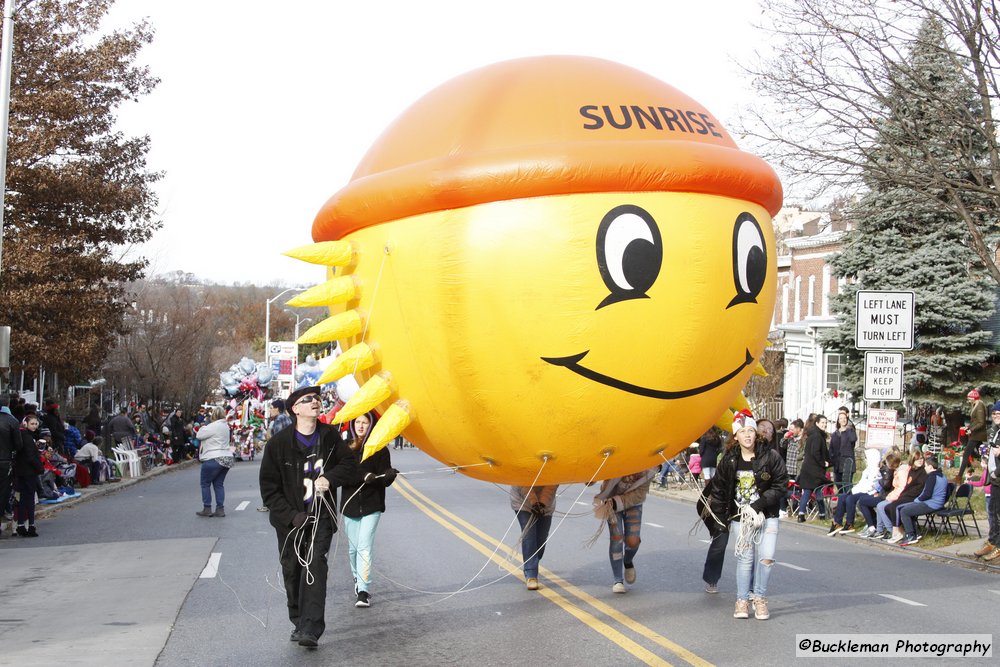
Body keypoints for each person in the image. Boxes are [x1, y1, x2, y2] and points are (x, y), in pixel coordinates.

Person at [259, 385, 358, 648]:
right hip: (290, 522)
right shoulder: (278, 445)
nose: (315, 402)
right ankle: (298, 620)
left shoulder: (329, 437)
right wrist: (292, 516)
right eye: (308, 399)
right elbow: (269, 490)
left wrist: (329, 478)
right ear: (296, 409)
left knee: (314, 564)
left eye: (316, 398)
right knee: (292, 570)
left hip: (320, 517)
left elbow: (349, 465)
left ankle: (311, 628)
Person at [708, 410, 788, 620]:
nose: (747, 435)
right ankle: (742, 600)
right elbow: (718, 489)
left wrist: (759, 504)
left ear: (756, 433)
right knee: (745, 559)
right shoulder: (729, 460)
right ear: (736, 436)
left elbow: (781, 485)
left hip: (766, 514)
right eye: (742, 431)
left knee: (767, 558)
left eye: (750, 431)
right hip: (740, 518)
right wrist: (720, 519)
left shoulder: (771, 456)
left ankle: (759, 598)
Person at [340, 411, 398, 608]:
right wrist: (363, 475)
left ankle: (363, 591)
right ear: (352, 424)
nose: (361, 426)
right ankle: (357, 580)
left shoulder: (380, 449)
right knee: (353, 548)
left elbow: (385, 478)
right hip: (350, 505)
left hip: (372, 504)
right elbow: (342, 476)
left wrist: (388, 475)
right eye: (358, 422)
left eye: (365, 422)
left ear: (371, 425)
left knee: (364, 546)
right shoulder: (345, 448)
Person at [593, 466, 656, 593]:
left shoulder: (651, 468)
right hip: (610, 501)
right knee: (617, 538)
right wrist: (591, 477)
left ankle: (628, 561)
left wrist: (617, 502)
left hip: (633, 504)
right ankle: (618, 580)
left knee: (632, 541)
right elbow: (599, 467)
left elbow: (639, 494)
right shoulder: (619, 458)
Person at [510, 485, 558, 590]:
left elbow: (552, 484)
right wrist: (534, 503)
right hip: (522, 501)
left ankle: (533, 560)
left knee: (542, 537)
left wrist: (542, 504)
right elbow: (523, 483)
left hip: (546, 504)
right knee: (529, 535)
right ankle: (531, 574)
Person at [829, 448, 882, 535]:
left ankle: (850, 523)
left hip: (869, 492)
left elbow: (870, 486)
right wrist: (853, 490)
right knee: (842, 496)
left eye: (866, 457)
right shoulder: (867, 469)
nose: (865, 459)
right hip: (861, 490)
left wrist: (855, 491)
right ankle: (837, 522)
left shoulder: (876, 471)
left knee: (850, 499)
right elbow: (861, 483)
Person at [897, 455, 948, 546]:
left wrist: (917, 500)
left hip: (931, 504)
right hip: (939, 504)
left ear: (930, 467)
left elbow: (927, 494)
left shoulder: (932, 477)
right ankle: (916, 533)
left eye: (925, 466)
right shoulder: (943, 476)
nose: (924, 468)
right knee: (909, 509)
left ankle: (910, 536)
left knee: (904, 511)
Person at [195, 406, 234, 518]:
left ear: (213, 415)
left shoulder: (212, 426)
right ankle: (220, 509)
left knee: (205, 483)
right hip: (226, 458)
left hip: (213, 457)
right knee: (219, 484)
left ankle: (207, 508)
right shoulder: (225, 426)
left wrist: (203, 426)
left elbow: (199, 435)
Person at [973, 401, 1000, 561]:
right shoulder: (995, 430)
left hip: (998, 477)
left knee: (998, 514)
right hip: (994, 479)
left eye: (999, 414)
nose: (996, 417)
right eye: (994, 414)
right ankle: (992, 541)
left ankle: (998, 546)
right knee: (993, 513)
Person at [14, 416, 45, 537]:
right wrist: (40, 468)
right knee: (30, 499)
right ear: (25, 423)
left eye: (36, 424)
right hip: (29, 472)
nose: (35, 426)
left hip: (21, 471)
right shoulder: (27, 437)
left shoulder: (22, 436)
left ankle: (21, 525)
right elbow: (30, 456)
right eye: (32, 423)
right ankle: (31, 525)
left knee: (22, 499)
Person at [796, 414, 830, 522]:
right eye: (822, 423)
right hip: (815, 469)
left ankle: (801, 514)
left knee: (808, 491)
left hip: (808, 468)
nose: (824, 425)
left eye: (825, 423)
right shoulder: (817, 436)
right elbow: (815, 452)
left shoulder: (813, 434)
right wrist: (823, 463)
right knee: (818, 491)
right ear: (817, 423)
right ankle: (822, 514)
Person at [959, 389, 987, 479]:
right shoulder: (976, 404)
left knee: (966, 454)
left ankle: (959, 476)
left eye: (969, 398)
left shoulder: (979, 406)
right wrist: (968, 427)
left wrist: (971, 430)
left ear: (973, 398)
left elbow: (981, 422)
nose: (968, 400)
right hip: (975, 434)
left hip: (976, 435)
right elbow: (975, 421)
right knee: (983, 452)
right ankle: (973, 471)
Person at [830, 411, 857, 495]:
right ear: (838, 420)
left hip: (847, 464)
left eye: (845, 418)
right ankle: (842, 505)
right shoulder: (835, 434)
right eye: (841, 418)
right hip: (837, 465)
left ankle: (849, 505)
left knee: (847, 487)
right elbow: (831, 449)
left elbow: (853, 440)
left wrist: (848, 429)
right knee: (838, 485)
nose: (843, 420)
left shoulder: (851, 431)